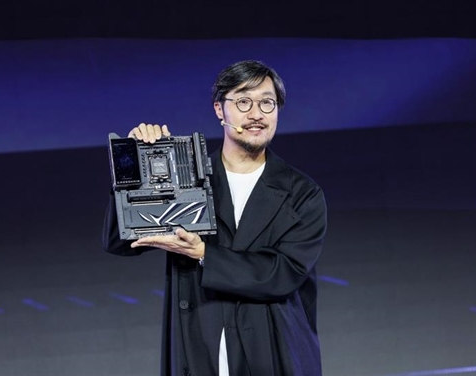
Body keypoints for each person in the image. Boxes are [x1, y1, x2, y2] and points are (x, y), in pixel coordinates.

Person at [103, 60, 327, 376]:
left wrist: (204, 253)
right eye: (243, 101)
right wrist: (133, 163)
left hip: (273, 351)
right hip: (199, 347)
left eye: (267, 103)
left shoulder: (301, 193)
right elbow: (119, 241)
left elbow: (283, 273)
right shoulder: (189, 180)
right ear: (220, 110)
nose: (256, 114)